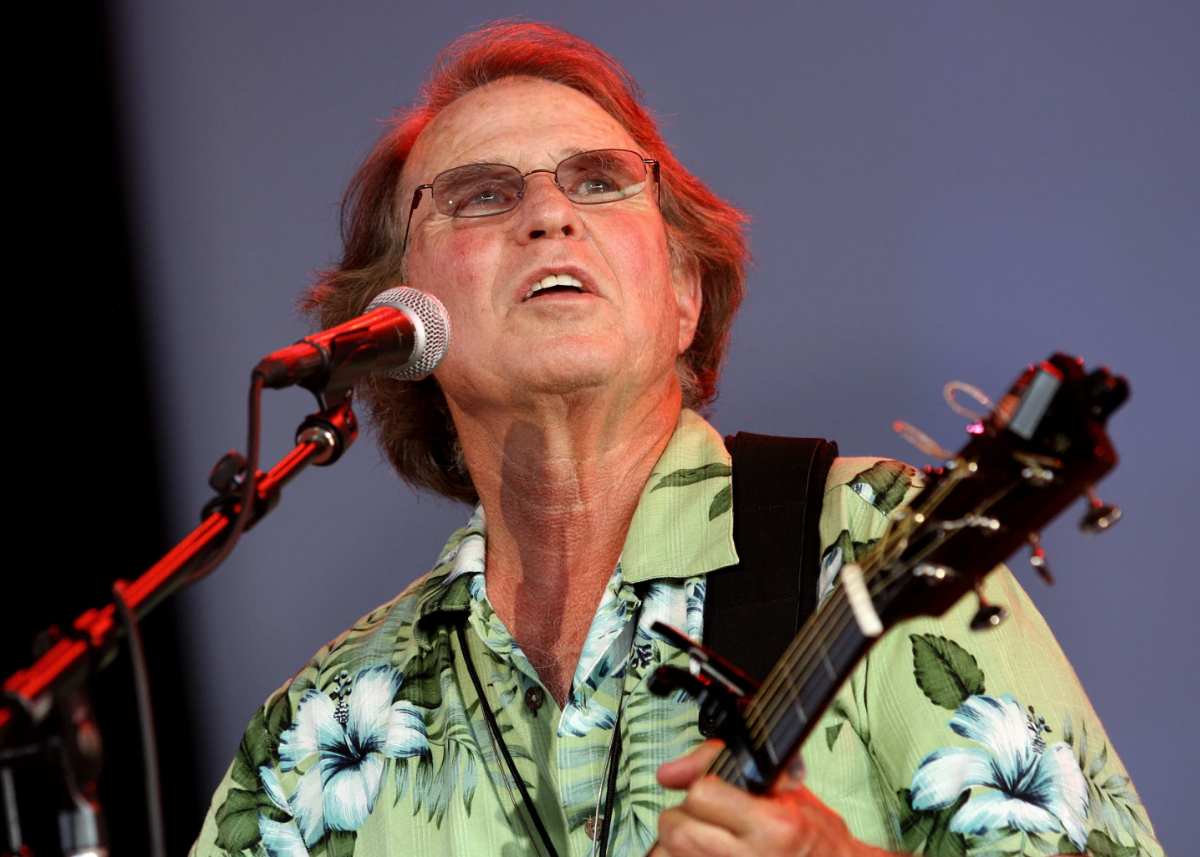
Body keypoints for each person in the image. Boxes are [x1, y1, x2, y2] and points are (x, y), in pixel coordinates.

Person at [192, 21, 1160, 857]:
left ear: (684, 295)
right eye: (482, 195)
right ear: (400, 325)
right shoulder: (319, 727)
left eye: (599, 181)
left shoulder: (870, 538)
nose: (549, 215)